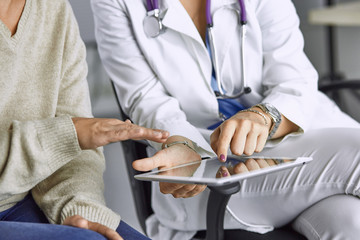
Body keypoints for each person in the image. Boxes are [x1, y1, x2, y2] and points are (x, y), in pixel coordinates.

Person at [91, 0, 360, 239]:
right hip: (215, 169)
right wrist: (183, 144)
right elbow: (145, 98)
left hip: (303, 140)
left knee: (350, 222)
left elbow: (294, 76)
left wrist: (264, 117)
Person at [0, 0, 169, 239]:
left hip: (23, 202)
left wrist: (81, 209)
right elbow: (72, 136)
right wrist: (65, 136)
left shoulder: (54, 9)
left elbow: (75, 151)